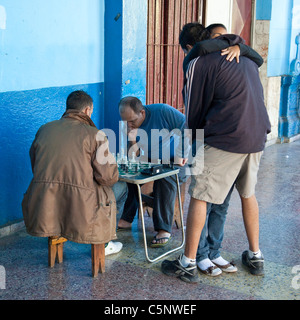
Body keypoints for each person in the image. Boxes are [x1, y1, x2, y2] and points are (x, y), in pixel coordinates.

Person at [161, 23, 271, 282]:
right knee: (247, 194)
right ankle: (255, 255)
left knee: (200, 196)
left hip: (226, 137)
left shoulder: (199, 61)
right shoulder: (244, 56)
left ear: (190, 47)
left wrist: (198, 141)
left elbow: (193, 109)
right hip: (256, 135)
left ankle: (187, 263)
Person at [22, 90, 128, 256]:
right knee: (122, 187)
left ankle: (57, 233)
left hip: (46, 203)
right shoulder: (95, 135)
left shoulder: (44, 129)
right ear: (87, 111)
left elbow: (36, 165)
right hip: (82, 207)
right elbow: (108, 178)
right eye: (91, 111)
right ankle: (105, 242)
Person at [117, 96, 188, 247]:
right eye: (125, 122)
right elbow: (133, 156)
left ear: (142, 112)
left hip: (176, 160)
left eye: (132, 121)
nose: (129, 124)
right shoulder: (129, 124)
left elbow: (187, 126)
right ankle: (127, 218)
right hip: (151, 160)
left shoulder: (162, 111)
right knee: (130, 177)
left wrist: (182, 153)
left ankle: (163, 229)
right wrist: (132, 139)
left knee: (165, 179)